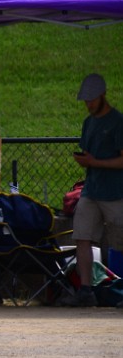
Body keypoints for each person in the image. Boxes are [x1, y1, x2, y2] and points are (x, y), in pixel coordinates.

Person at [67, 73, 123, 307]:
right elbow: (88, 153)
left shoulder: (117, 122)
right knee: (82, 236)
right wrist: (85, 162)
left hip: (115, 192)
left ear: (103, 96)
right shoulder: (88, 123)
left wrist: (94, 162)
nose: (88, 104)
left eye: (92, 99)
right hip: (91, 190)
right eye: (86, 100)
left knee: (119, 241)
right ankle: (86, 289)